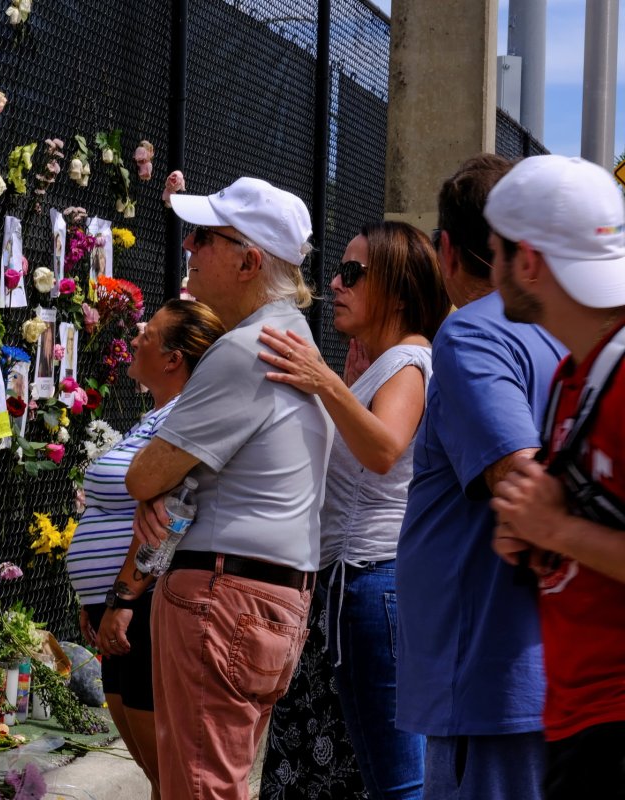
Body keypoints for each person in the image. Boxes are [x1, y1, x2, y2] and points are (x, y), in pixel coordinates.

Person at [104, 176, 334, 800]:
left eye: (205, 237)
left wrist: (157, 497)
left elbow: (144, 474)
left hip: (222, 597)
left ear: (249, 260)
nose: (190, 248)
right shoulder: (289, 340)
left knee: (199, 789)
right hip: (266, 597)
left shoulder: (245, 349)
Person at [259, 221, 450, 800]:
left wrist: (325, 384)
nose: (336, 284)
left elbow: (385, 450)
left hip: (370, 585)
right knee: (345, 774)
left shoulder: (411, 361)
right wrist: (343, 386)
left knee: (394, 782)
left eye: (353, 273)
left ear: (395, 288)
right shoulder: (385, 365)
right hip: (354, 588)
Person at [395, 153, 565, 800]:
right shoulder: (571, 336)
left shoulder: (474, 336)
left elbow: (521, 481)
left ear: (447, 250)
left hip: (494, 684)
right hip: (537, 676)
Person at [483, 155, 625, 800]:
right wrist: (539, 539)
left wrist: (556, 528)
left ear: (529, 261)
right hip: (582, 719)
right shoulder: (577, 374)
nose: (491, 270)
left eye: (495, 252)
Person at [72, 299, 224, 797]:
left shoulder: (182, 420)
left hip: (141, 608)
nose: (136, 337)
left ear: (173, 359)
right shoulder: (154, 418)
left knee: (173, 775)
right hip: (117, 608)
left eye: (149, 333)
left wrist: (123, 599)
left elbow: (170, 520)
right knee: (158, 774)